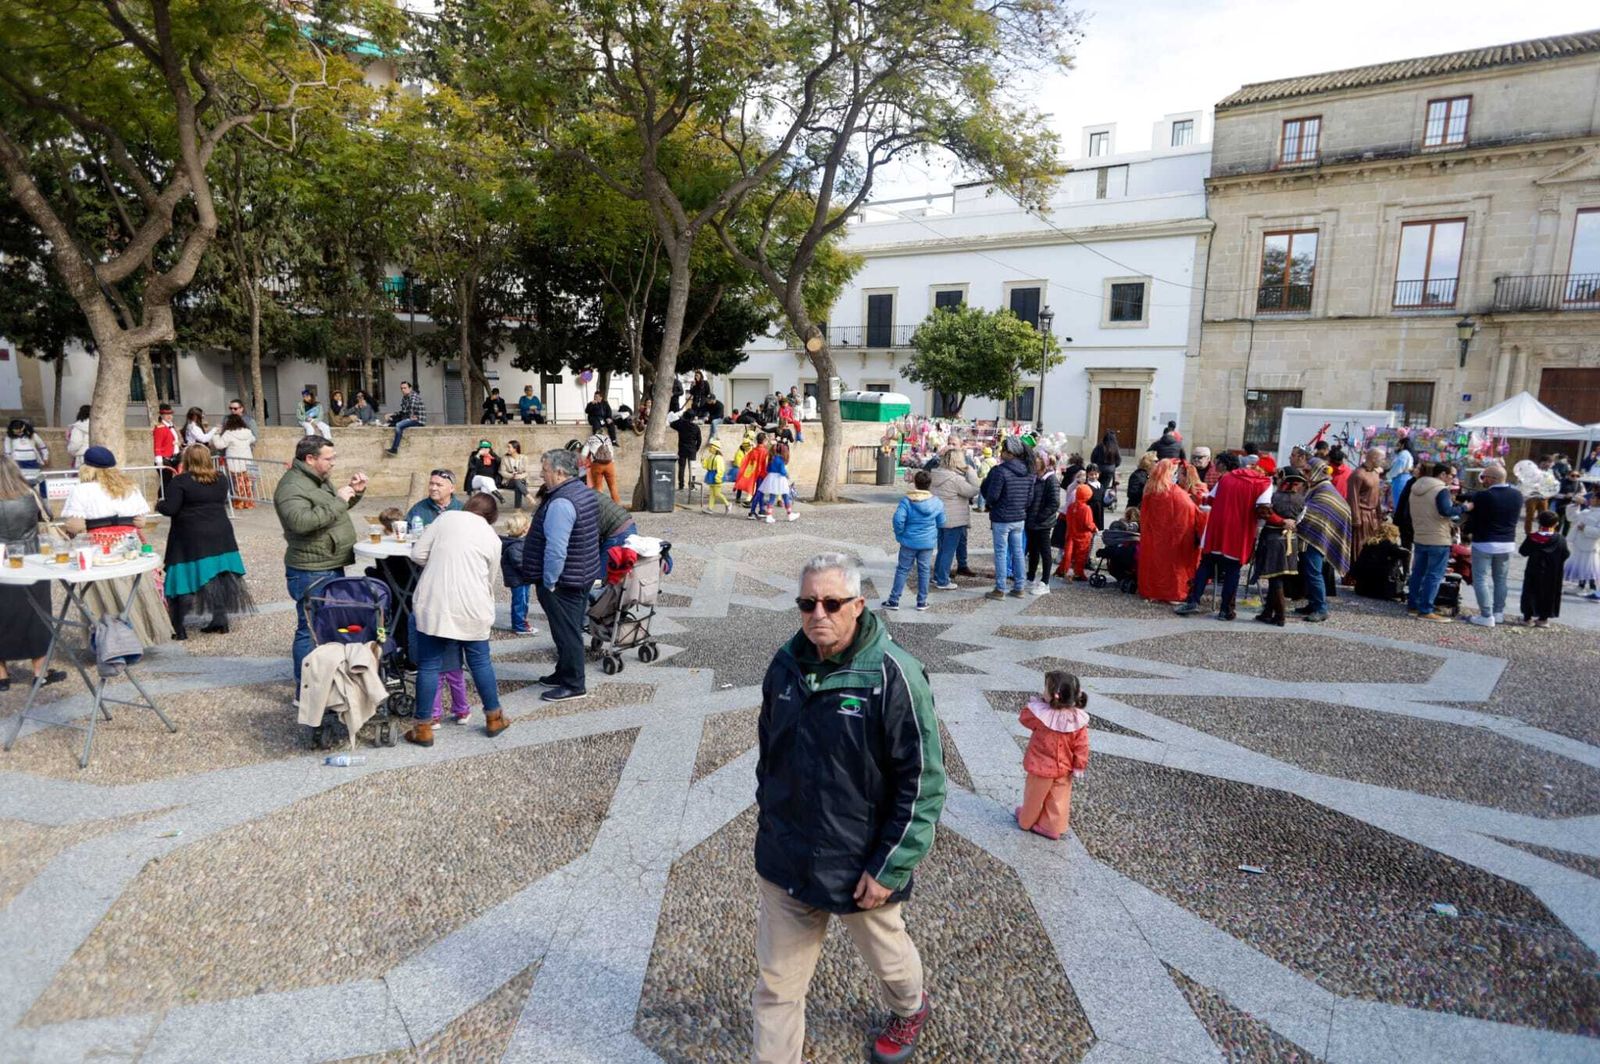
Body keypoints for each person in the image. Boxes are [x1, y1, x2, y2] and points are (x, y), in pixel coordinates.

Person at [753, 552, 944, 1064]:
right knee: (776, 988)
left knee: (889, 957)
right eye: (807, 603)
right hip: (787, 858)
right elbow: (769, 753)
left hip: (861, 863)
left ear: (858, 605)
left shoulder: (893, 675)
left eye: (832, 603)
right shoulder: (785, 665)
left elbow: (922, 784)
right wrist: (770, 824)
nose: (819, 613)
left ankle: (910, 1007)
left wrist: (888, 867)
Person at [404, 492, 508, 746]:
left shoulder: (446, 517)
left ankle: (423, 728)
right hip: (473, 606)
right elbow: (489, 577)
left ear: (468, 506)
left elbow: (417, 554)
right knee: (480, 662)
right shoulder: (493, 538)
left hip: (436, 603)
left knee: (429, 665)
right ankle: (494, 717)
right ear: (491, 517)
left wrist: (440, 561)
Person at [274, 436, 367, 686]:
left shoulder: (317, 480)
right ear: (310, 459)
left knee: (328, 627)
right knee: (309, 629)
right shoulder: (291, 487)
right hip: (311, 570)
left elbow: (330, 513)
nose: (333, 463)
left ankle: (326, 683)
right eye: (329, 458)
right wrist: (339, 500)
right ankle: (304, 689)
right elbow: (301, 523)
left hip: (329, 564)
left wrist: (353, 494)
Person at [61, 447, 169, 646]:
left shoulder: (81, 490)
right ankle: (141, 634)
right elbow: (140, 521)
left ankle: (111, 640)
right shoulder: (130, 487)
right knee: (134, 588)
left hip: (98, 545)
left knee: (104, 592)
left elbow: (74, 525)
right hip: (129, 542)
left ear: (87, 468)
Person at [521, 448, 601, 703]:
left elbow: (556, 548)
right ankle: (563, 672)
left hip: (565, 581)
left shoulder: (561, 503)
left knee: (567, 633)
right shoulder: (582, 491)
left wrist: (550, 581)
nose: (541, 475)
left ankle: (574, 684)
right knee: (567, 629)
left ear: (559, 472)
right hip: (582, 573)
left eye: (544, 470)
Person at [156, 445, 254, 639]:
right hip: (220, 532)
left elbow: (171, 508)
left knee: (184, 580)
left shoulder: (181, 481)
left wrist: (158, 504)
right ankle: (220, 621)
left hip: (191, 535)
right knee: (220, 577)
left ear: (188, 460)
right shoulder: (221, 479)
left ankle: (179, 627)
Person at [0, 457, 65, 692]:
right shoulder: (30, 494)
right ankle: (39, 671)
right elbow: (48, 515)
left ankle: (2, 675)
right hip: (31, 559)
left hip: (2, 562)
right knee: (36, 614)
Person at [1016, 670, 1090, 840]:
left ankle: (1026, 820)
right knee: (1059, 799)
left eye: (1045, 689)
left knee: (1033, 796)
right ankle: (1050, 827)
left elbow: (1024, 718)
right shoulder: (1077, 720)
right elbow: (1082, 745)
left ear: (1053, 695)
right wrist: (1079, 765)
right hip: (1065, 768)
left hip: (1040, 767)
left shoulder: (1041, 715)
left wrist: (1036, 704)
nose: (1043, 692)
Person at [1294, 460, 1355, 624]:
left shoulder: (1325, 490)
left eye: (1307, 471)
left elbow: (1313, 514)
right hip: (1315, 535)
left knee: (1314, 573)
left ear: (1316, 472)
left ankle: (1321, 609)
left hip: (1316, 537)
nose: (1305, 475)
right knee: (1309, 571)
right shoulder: (1317, 488)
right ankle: (1313, 604)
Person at [1460, 462, 1520, 627]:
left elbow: (1472, 513)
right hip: (1507, 542)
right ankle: (1498, 612)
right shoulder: (1517, 495)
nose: (1482, 480)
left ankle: (1486, 615)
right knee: (1501, 579)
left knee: (1480, 579)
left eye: (1483, 477)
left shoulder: (1483, 496)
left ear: (1492, 479)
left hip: (1485, 542)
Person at [1137, 458, 1202, 603]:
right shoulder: (1175, 492)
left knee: (1155, 563)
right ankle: (1172, 593)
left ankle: (1153, 591)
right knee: (1172, 567)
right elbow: (1190, 511)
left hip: (1154, 536)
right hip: (1174, 537)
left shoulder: (1150, 489)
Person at [1403, 462, 1460, 623]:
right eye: (1451, 475)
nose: (1452, 479)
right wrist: (1463, 508)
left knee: (1418, 573)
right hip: (1438, 537)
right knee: (1434, 575)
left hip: (1420, 535)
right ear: (1442, 475)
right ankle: (1426, 610)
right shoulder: (1440, 490)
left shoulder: (1416, 487)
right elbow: (1446, 511)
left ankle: (1413, 605)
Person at [1251, 467, 1307, 626]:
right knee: (1277, 578)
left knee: (1275, 579)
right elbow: (1301, 519)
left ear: (1284, 479)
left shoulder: (1274, 497)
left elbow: (1263, 513)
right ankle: (1268, 612)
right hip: (1291, 540)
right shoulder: (1302, 499)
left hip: (1273, 539)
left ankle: (1280, 616)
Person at [883, 469, 944, 612]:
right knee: (924, 571)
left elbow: (898, 519)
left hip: (909, 541)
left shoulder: (907, 501)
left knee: (903, 570)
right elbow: (942, 522)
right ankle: (922, 602)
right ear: (930, 484)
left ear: (915, 483)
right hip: (927, 542)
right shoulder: (937, 502)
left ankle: (894, 600)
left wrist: (900, 534)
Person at [981, 437, 1033, 599]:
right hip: (1019, 517)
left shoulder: (1000, 471)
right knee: (1018, 553)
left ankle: (1000, 588)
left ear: (1010, 453)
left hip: (1002, 518)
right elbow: (1029, 499)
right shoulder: (1028, 471)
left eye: (1003, 450)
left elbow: (992, 496)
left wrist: (990, 502)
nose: (1001, 453)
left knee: (1001, 553)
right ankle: (1019, 587)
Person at [929, 448, 979, 588]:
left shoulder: (935, 475)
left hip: (939, 518)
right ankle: (943, 580)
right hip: (954, 519)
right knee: (948, 551)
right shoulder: (955, 479)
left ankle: (937, 576)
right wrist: (971, 473)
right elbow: (973, 490)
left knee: (942, 549)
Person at [1519, 510, 1569, 628]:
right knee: (1549, 593)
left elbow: (1523, 551)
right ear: (1556, 524)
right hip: (1552, 572)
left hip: (1534, 569)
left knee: (1530, 592)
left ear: (1539, 522)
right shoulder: (1560, 539)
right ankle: (1543, 618)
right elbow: (1566, 554)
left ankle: (1527, 618)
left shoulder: (1533, 537)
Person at [1023, 453, 1061, 594]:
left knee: (1045, 551)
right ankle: (1030, 577)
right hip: (1032, 521)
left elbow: (1054, 502)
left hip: (1042, 522)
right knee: (1033, 551)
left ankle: (1045, 582)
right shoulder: (1035, 478)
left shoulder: (1050, 479)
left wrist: (1040, 517)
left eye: (1036, 463)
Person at [1343, 447, 1385, 572]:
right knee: (1358, 545)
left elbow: (1377, 496)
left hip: (1372, 515)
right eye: (1381, 459)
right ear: (1373, 458)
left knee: (1371, 545)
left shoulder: (1375, 474)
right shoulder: (1358, 474)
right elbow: (1352, 498)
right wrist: (1356, 519)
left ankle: (1366, 572)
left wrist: (1379, 515)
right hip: (1361, 514)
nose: (1383, 462)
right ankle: (1354, 573)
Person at [1351, 522, 1409, 601]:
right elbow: (1406, 553)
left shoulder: (1368, 543)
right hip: (1381, 591)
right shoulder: (1389, 545)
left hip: (1362, 588)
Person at [500, 511, 536, 634]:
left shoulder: (519, 543)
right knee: (520, 603)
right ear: (524, 529)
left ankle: (522, 622)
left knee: (523, 602)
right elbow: (520, 564)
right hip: (518, 580)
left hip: (522, 579)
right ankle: (519, 625)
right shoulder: (515, 546)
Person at [215, 413, 258, 510]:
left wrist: (216, 434)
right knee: (247, 483)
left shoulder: (228, 434)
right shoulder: (247, 432)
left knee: (238, 484)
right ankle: (249, 503)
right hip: (247, 461)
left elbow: (219, 445)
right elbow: (253, 439)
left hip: (234, 462)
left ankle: (239, 503)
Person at [1058, 482, 1097, 582]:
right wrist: (1094, 528)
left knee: (1068, 554)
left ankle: (1063, 570)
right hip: (1082, 536)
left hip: (1071, 534)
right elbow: (1088, 523)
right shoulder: (1086, 508)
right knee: (1081, 555)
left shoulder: (1071, 506)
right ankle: (1078, 573)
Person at [1564, 489, 1600, 599]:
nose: (1591, 499)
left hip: (1590, 546)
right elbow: (1571, 517)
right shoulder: (1586, 511)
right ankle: (1581, 585)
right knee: (1581, 565)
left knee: (1590, 567)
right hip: (1579, 544)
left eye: (1594, 498)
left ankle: (1593, 588)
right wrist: (1576, 504)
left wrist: (1585, 528)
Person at [1514, 456, 1560, 536]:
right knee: (1530, 516)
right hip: (1532, 497)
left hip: (1544, 497)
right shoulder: (1532, 470)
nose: (1547, 464)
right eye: (1546, 462)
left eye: (1549, 462)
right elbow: (1523, 481)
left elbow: (1554, 484)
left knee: (1544, 517)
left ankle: (1542, 533)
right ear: (1541, 462)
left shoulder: (1551, 472)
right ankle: (1528, 534)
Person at [384, 381, 426, 456]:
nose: (403, 390)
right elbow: (403, 412)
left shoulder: (413, 397)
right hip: (409, 418)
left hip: (417, 420)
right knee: (391, 422)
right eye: (401, 388)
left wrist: (399, 419)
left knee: (398, 425)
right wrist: (391, 415)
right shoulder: (405, 398)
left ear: (410, 388)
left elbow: (411, 413)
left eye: (405, 388)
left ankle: (394, 449)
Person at [761, 441, 797, 523]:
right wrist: (786, 474)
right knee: (785, 496)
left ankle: (769, 515)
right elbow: (782, 471)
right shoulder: (780, 460)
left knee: (772, 498)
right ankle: (790, 514)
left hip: (771, 478)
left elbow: (767, 469)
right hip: (780, 479)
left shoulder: (771, 458)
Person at [5, 419, 49, 484]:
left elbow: (42, 446)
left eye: (20, 431)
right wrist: (8, 463)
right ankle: (23, 492)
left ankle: (42, 493)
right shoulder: (9, 438)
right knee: (19, 480)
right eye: (16, 431)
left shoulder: (32, 435)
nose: (19, 433)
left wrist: (45, 457)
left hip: (32, 461)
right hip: (17, 461)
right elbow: (7, 451)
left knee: (40, 479)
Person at [737, 433, 771, 517]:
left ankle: (761, 510)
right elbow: (766, 464)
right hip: (762, 475)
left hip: (755, 474)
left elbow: (748, 462)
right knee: (758, 493)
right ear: (764, 441)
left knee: (760, 493)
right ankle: (752, 512)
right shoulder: (765, 452)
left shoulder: (754, 450)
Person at [581, 430, 619, 503]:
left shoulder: (591, 439)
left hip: (597, 464)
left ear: (595, 433)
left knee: (598, 486)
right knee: (613, 486)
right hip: (610, 464)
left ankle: (601, 505)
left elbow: (583, 454)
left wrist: (585, 464)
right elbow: (612, 453)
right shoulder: (608, 439)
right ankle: (617, 505)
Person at [671, 412, 702, 491]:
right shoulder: (696, 427)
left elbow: (672, 424)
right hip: (692, 450)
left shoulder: (681, 425)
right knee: (692, 468)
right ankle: (692, 485)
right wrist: (696, 449)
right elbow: (699, 441)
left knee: (681, 468)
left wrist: (681, 419)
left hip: (682, 449)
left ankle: (681, 485)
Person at [701, 438, 731, 515]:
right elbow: (707, 466)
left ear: (714, 448)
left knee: (717, 493)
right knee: (712, 493)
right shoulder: (711, 457)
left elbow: (721, 469)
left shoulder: (718, 458)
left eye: (711, 447)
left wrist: (718, 477)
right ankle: (710, 508)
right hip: (711, 475)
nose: (710, 448)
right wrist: (703, 461)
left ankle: (728, 504)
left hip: (716, 476)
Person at [1385, 436, 1415, 511]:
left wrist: (1388, 476)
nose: (1396, 447)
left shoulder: (1404, 454)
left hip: (1401, 479)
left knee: (1398, 502)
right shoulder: (1407, 454)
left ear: (1402, 445)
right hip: (1403, 478)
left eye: (1398, 445)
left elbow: (1398, 468)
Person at [152, 404, 180, 480]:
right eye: (166, 414)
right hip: (165, 460)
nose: (169, 416)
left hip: (174, 458)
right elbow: (157, 445)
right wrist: (159, 462)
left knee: (175, 482)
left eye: (170, 413)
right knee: (166, 483)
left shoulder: (172, 426)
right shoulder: (160, 428)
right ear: (161, 415)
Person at [502, 440, 531, 510]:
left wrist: (520, 476)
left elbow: (527, 472)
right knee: (516, 481)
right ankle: (529, 497)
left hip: (521, 480)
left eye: (509, 447)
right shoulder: (505, 458)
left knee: (517, 485)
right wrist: (512, 475)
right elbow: (502, 471)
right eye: (507, 447)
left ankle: (517, 509)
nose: (508, 449)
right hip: (509, 481)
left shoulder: (524, 458)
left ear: (515, 449)